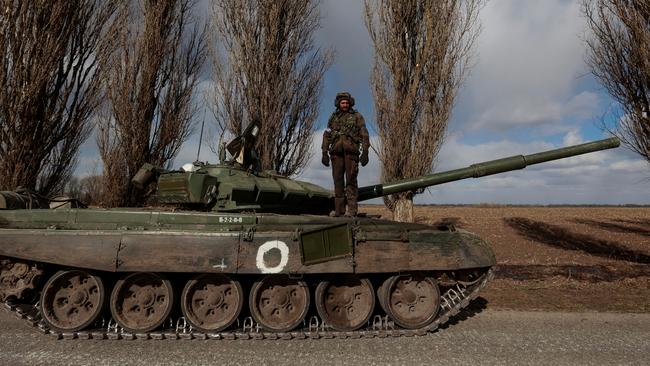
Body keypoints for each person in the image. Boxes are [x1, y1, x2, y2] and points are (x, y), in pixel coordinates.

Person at [321, 92, 369, 216]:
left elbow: (364, 133)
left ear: (350, 103)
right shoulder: (333, 117)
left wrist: (365, 152)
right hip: (336, 154)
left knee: (351, 181)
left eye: (347, 102)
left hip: (351, 153)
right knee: (338, 182)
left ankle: (352, 211)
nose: (345, 105)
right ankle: (339, 211)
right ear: (338, 104)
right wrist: (324, 153)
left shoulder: (357, 116)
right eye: (343, 102)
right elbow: (327, 135)